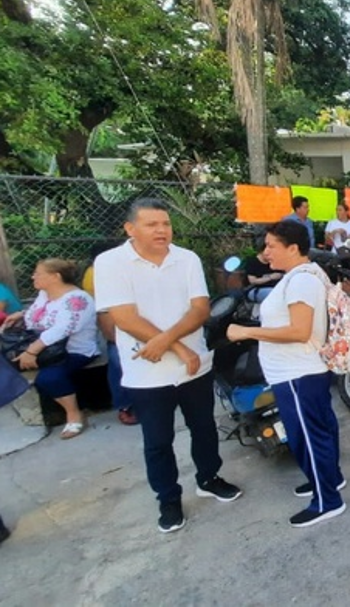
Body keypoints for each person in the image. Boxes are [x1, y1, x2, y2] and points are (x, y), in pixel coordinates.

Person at [95, 198, 241, 534]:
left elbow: (200, 309)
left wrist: (166, 342)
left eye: (166, 224)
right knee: (157, 440)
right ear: (130, 229)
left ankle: (208, 477)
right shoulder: (111, 263)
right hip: (147, 371)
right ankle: (168, 498)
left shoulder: (186, 258)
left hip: (193, 365)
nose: (162, 230)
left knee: (203, 427)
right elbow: (124, 318)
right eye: (152, 224)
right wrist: (175, 346)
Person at [226, 222, 345, 527]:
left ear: (293, 248)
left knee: (307, 436)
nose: (265, 252)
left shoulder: (302, 281)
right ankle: (328, 480)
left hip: (298, 374)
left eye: (271, 246)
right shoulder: (301, 276)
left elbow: (299, 331)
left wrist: (246, 332)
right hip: (299, 373)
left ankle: (327, 500)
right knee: (319, 430)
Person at [3, 259, 100, 439]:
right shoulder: (44, 294)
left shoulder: (77, 299)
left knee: (49, 378)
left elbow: (62, 329)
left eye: (38, 273)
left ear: (55, 277)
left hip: (72, 351)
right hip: (44, 350)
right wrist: (22, 315)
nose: (33, 276)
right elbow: (36, 314)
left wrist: (32, 351)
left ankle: (74, 414)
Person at [82, 242, 134, 425]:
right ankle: (125, 405)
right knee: (118, 361)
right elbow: (103, 310)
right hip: (114, 325)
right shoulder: (96, 273)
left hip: (132, 323)